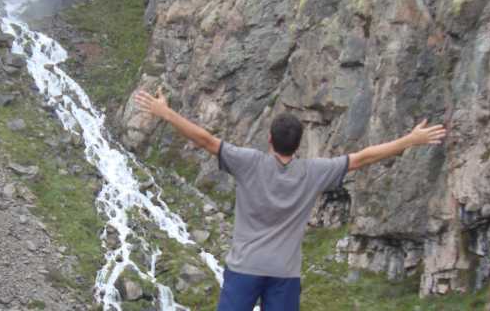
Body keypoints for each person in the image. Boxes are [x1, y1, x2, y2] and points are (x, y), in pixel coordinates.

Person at [134, 88, 447, 311]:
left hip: (245, 267)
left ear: (269, 139)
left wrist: (165, 112)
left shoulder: (249, 162)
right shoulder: (313, 172)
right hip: (284, 273)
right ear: (298, 146)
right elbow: (362, 158)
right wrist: (410, 139)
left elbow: (205, 140)